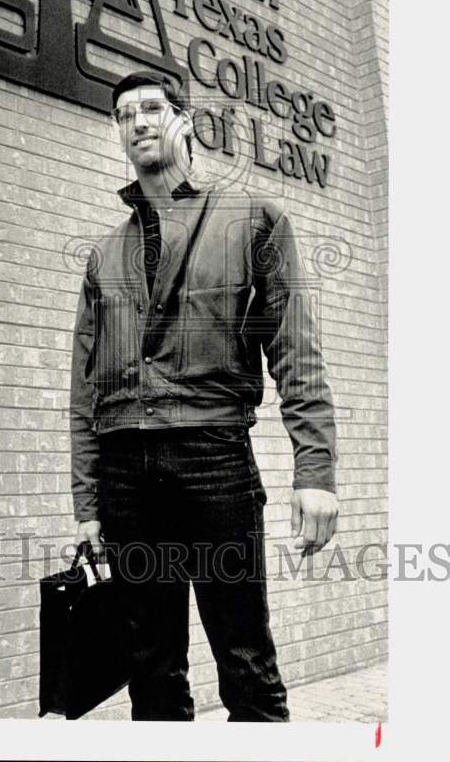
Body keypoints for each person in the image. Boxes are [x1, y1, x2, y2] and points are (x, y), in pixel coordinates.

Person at [69, 70, 339, 721]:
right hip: (125, 473)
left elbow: (295, 347)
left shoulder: (254, 220)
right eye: (124, 113)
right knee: (150, 672)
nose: (137, 122)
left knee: (245, 661)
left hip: (213, 459)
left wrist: (316, 469)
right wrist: (86, 499)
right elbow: (83, 387)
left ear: (184, 120)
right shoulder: (105, 255)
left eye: (152, 108)